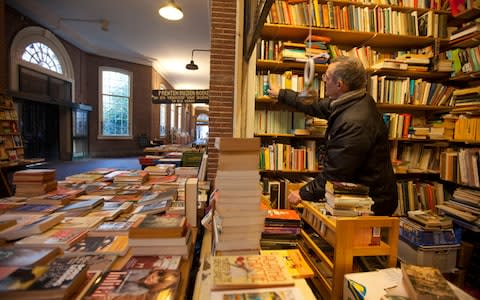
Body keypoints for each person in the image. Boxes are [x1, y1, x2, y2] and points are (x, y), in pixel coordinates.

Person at [269, 56, 397, 216]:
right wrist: (282, 94)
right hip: (362, 194)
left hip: (371, 203)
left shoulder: (354, 123)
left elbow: (336, 174)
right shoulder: (353, 99)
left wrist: (303, 192)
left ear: (339, 84)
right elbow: (317, 106)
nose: (323, 80)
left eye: (326, 77)